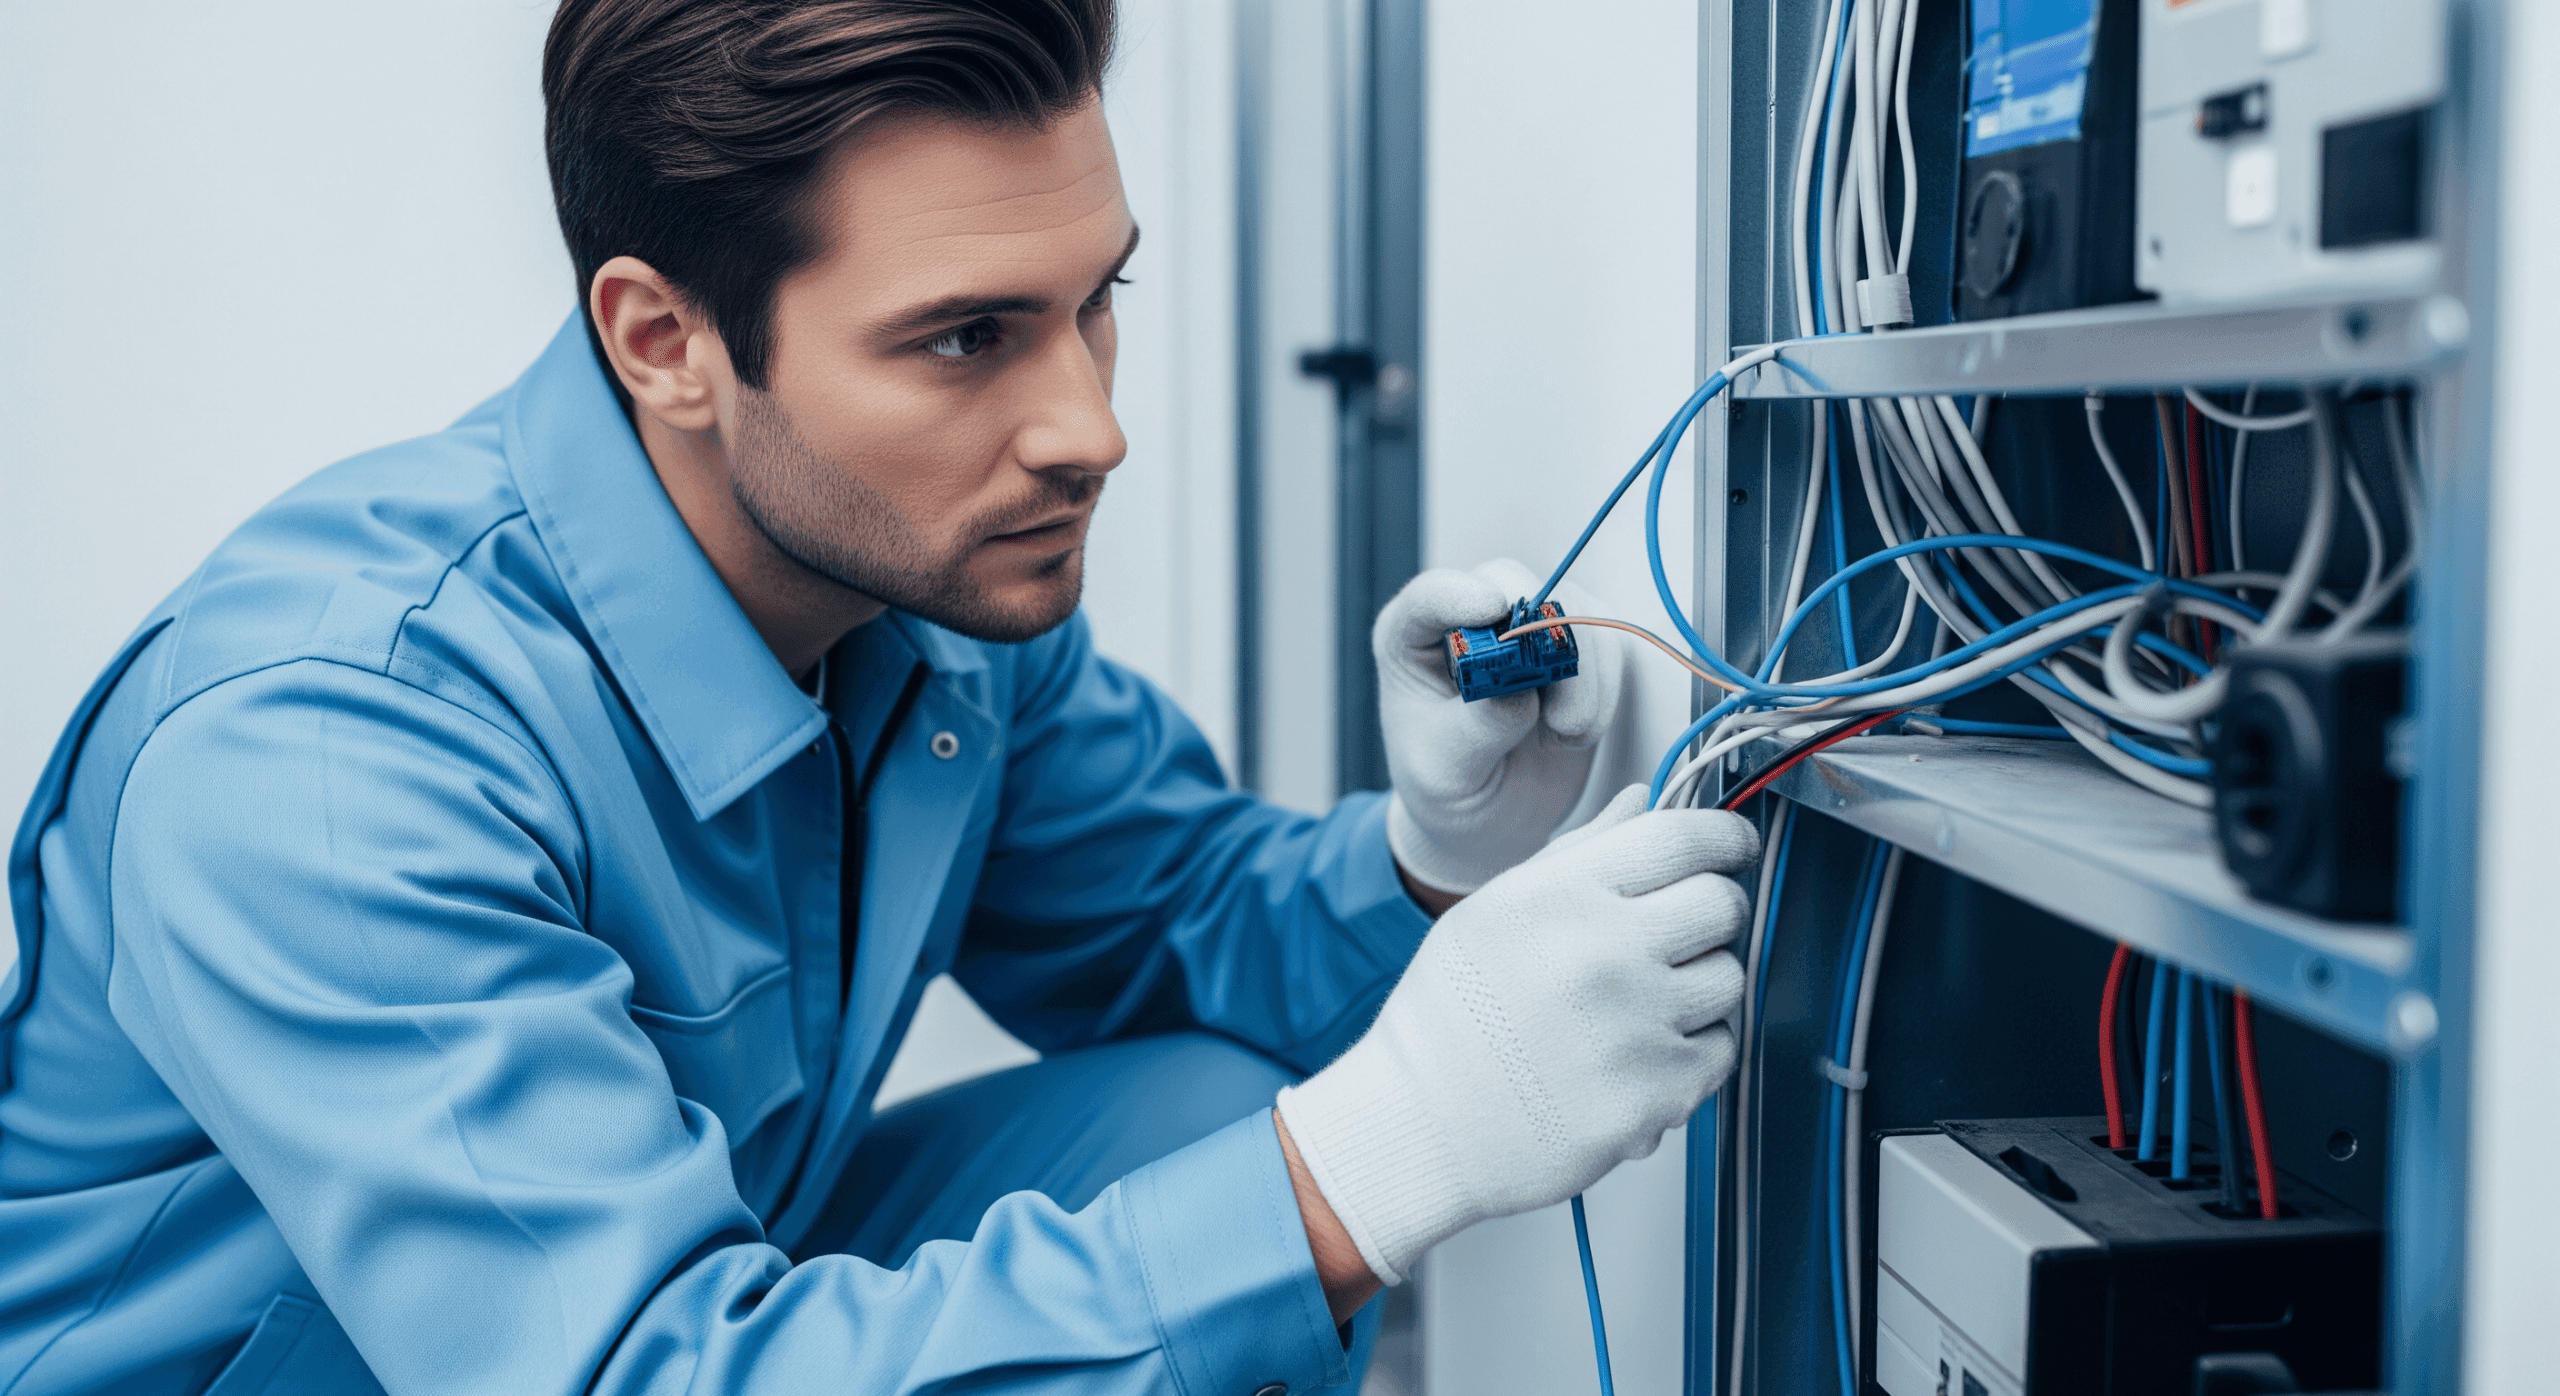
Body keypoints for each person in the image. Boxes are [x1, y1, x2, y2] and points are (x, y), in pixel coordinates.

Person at [0, 2, 1757, 1392]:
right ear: (665, 341)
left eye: (1097, 303)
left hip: (660, 1303)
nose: (1091, 427)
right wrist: (1363, 1170)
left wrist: (1445, 854)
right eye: (966, 338)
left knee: (1202, 1116)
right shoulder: (325, 755)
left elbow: (1179, 920)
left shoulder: (923, 604)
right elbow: (642, 1374)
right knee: (1284, 1183)